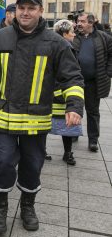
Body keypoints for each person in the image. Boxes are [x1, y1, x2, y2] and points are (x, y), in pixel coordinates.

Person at [0, 0, 83, 234]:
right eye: (21, 7)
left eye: (31, 8)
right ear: (15, 10)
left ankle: (27, 207)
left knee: (32, 165)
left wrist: (75, 107)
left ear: (41, 11)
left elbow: (72, 77)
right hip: (5, 118)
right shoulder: (0, 38)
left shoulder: (56, 43)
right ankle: (0, 208)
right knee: (3, 163)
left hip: (36, 121)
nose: (25, 12)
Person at [73, 12, 112, 152]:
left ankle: (93, 140)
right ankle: (73, 134)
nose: (79, 24)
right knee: (74, 109)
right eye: (78, 21)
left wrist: (108, 71)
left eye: (82, 21)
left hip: (94, 82)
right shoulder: (74, 37)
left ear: (91, 23)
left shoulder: (104, 37)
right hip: (75, 81)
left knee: (93, 111)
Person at [48, 19, 83, 165]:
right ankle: (42, 151)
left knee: (68, 125)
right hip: (56, 94)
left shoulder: (69, 46)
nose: (74, 35)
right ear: (64, 33)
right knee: (44, 124)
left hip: (65, 95)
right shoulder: (57, 47)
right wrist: (57, 91)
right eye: (72, 32)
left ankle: (67, 152)